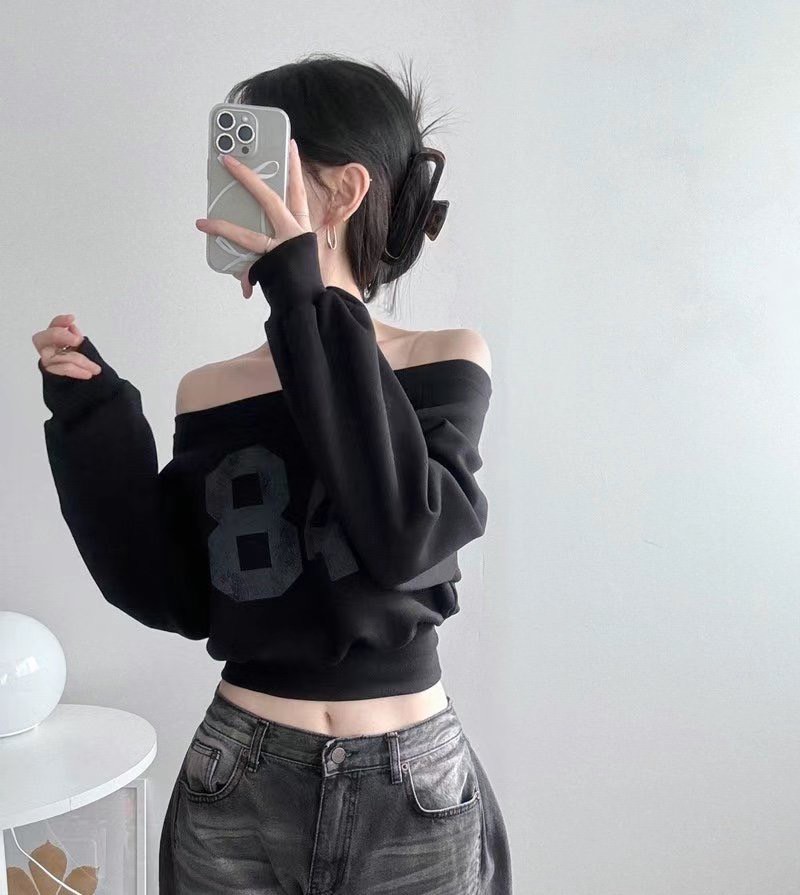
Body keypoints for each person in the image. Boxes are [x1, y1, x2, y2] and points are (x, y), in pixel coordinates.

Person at [33, 54, 512, 894]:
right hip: (239, 782)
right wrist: (92, 420)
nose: (234, 185)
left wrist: (302, 295)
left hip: (412, 793)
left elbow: (405, 535)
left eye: (260, 161)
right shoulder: (211, 389)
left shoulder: (444, 361)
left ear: (346, 190)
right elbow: (176, 596)